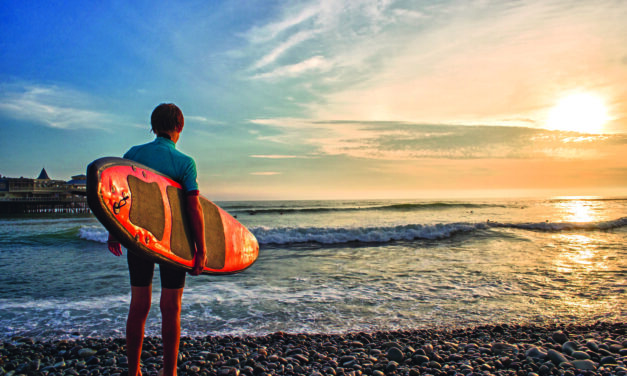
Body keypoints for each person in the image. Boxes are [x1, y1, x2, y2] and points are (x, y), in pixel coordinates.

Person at [107, 103, 207, 376]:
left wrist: (113, 230)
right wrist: (200, 248)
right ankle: (169, 372)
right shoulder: (185, 163)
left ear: (153, 126)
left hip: (139, 238)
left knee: (139, 304)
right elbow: (193, 207)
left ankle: (133, 371)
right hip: (173, 243)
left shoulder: (133, 154)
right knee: (171, 307)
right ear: (180, 128)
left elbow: (117, 195)